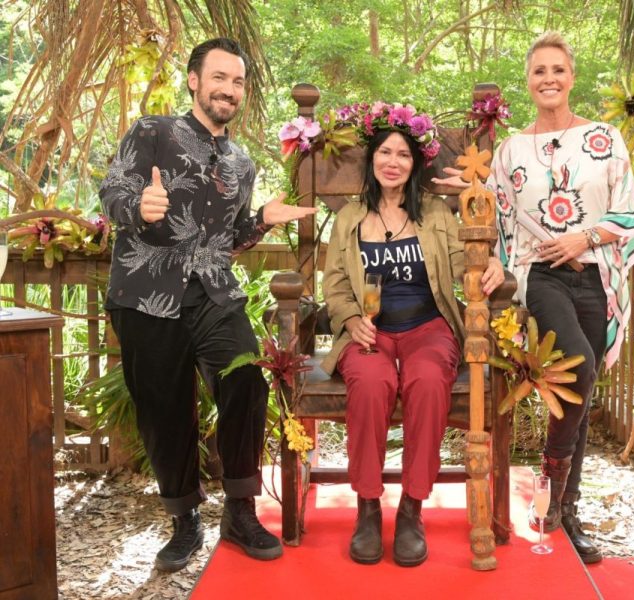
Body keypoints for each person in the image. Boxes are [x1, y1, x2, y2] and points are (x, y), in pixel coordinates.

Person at [100, 37, 316, 572]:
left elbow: (229, 240)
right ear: (194, 80)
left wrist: (261, 219)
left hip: (215, 294)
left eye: (237, 81)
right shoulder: (152, 131)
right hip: (146, 295)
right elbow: (112, 192)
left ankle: (239, 512)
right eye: (219, 77)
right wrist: (138, 206)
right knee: (164, 410)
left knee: (246, 380)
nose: (229, 89)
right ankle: (185, 521)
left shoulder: (242, 162)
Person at [441, 32, 634, 564]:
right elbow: (499, 217)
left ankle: (565, 510)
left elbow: (629, 213)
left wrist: (585, 237)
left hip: (596, 274)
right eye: (539, 71)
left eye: (558, 69)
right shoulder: (512, 149)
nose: (549, 78)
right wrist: (493, 259)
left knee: (581, 389)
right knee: (578, 367)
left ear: (571, 77)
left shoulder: (604, 137)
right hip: (542, 275)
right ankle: (552, 481)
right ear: (529, 81)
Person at [321, 106, 504, 567]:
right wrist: (350, 319)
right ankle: (367, 508)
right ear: (372, 159)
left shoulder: (436, 214)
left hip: (428, 327)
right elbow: (335, 283)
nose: (393, 161)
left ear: (415, 163)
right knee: (371, 382)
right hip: (371, 330)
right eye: (385, 152)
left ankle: (411, 508)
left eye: (403, 154)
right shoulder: (349, 218)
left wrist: (489, 261)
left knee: (426, 381)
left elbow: (464, 263)